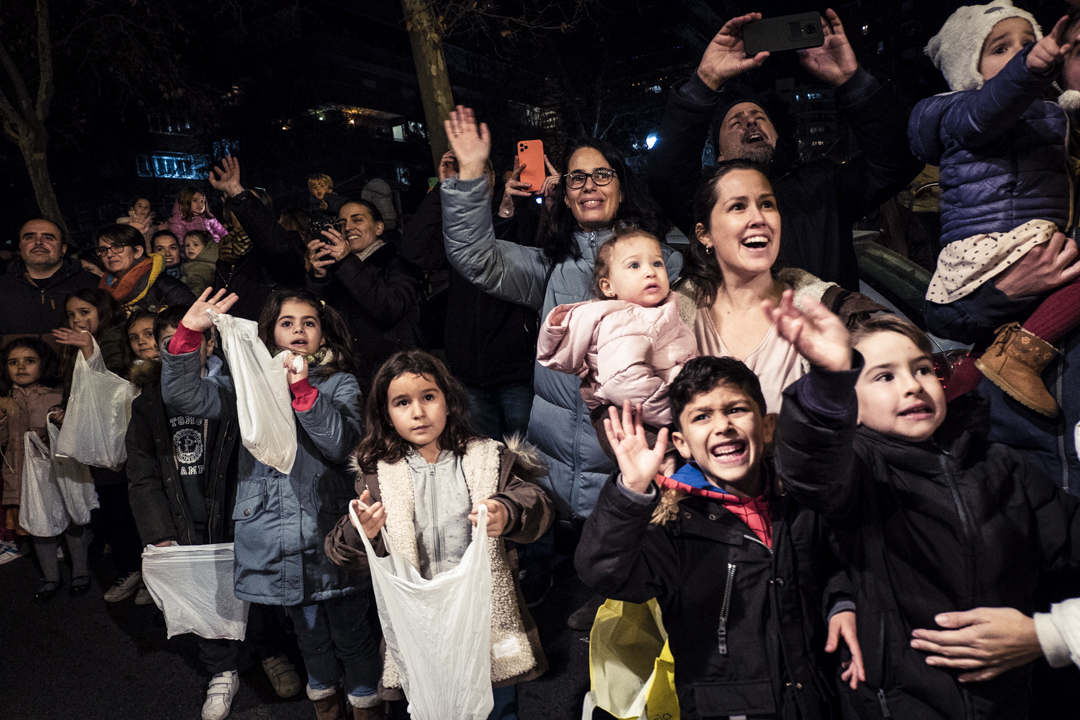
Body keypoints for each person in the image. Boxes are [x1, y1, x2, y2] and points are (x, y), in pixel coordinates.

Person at [766, 297, 1080, 719]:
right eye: (883, 377)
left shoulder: (1001, 465)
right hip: (901, 704)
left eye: (922, 368)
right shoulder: (860, 474)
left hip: (1007, 700)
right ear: (851, 409)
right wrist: (829, 381)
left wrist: (1051, 633)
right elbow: (808, 463)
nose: (912, 385)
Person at [441, 104, 682, 530]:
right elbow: (473, 256)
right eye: (577, 177)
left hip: (628, 469)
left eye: (602, 175)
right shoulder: (549, 267)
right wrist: (472, 173)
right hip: (553, 475)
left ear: (622, 188)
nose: (589, 185)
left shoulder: (663, 265)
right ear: (566, 194)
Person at [577, 367, 864, 720]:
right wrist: (630, 492)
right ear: (682, 443)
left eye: (736, 409)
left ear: (768, 425)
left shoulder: (800, 503)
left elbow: (834, 561)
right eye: (702, 416)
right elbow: (603, 573)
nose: (723, 425)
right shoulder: (674, 524)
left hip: (819, 696)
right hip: (727, 707)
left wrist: (841, 601)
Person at [162, 288, 383, 720]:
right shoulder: (248, 382)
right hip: (272, 529)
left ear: (323, 334)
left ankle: (366, 704)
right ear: (270, 333)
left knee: (353, 634)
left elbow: (341, 445)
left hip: (329, 530)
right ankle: (326, 706)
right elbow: (185, 397)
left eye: (309, 322)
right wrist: (188, 335)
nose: (298, 330)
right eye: (287, 323)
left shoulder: (339, 382)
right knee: (309, 637)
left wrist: (302, 392)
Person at [325, 349, 553, 720]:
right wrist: (360, 531)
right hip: (419, 627)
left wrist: (506, 510)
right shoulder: (380, 475)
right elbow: (339, 551)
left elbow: (536, 504)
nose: (418, 411)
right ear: (386, 414)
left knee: (495, 708)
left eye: (428, 397)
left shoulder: (486, 458)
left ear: (449, 400)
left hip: (481, 621)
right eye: (402, 402)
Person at [647, 10, 921, 291]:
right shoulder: (709, 200)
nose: (750, 122)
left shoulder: (825, 184)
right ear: (720, 154)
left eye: (759, 117)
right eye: (735, 123)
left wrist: (852, 81)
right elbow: (666, 176)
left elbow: (897, 161)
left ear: (777, 135)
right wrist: (705, 80)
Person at [126, 304, 302, 720]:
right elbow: (143, 472)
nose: (177, 348)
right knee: (205, 593)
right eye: (167, 341)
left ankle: (269, 653)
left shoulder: (237, 389)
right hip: (184, 512)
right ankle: (221, 670)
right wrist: (158, 529)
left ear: (208, 343)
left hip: (238, 510)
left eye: (188, 339)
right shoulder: (148, 404)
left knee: (253, 587)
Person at [913, 3, 1080, 419]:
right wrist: (1029, 66)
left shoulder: (1051, 117)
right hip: (1000, 244)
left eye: (1028, 43)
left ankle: (984, 373)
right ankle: (1012, 359)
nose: (1020, 53)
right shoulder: (959, 108)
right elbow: (984, 111)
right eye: (1001, 48)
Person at [676, 160, 884, 413]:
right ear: (704, 234)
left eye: (767, 204)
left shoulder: (832, 311)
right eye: (738, 207)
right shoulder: (670, 317)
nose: (758, 218)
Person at [395, 150, 546, 441]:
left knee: (530, 463)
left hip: (516, 374)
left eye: (477, 174)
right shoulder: (454, 230)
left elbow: (524, 259)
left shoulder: (518, 215)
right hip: (467, 375)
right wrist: (444, 190)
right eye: (464, 177)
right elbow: (415, 251)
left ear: (491, 179)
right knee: (483, 466)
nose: (470, 182)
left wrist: (506, 212)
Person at [537, 220, 697, 459]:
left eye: (657, 263)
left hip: (662, 411)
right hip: (648, 423)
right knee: (674, 480)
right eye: (634, 265)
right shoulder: (622, 321)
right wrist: (683, 413)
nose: (650, 271)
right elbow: (625, 381)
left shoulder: (657, 311)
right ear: (608, 287)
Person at [52, 288, 147, 604]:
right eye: (71, 314)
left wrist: (92, 354)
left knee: (124, 509)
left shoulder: (114, 340)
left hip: (122, 441)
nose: (77, 319)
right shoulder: (81, 345)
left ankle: (140, 571)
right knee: (111, 508)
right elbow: (79, 391)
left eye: (84, 311)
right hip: (102, 445)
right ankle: (136, 569)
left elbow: (116, 387)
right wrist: (66, 408)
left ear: (103, 311)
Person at [0, 338, 92, 597]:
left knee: (72, 521)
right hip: (20, 476)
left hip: (58, 473)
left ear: (44, 364)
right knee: (38, 527)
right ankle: (51, 578)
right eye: (13, 362)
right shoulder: (5, 400)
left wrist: (60, 420)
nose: (21, 367)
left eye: (29, 361)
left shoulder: (57, 394)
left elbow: (76, 432)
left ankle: (81, 572)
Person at [305, 198, 421, 392]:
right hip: (350, 376)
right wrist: (319, 276)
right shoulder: (339, 268)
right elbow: (319, 317)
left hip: (392, 373)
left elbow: (388, 308)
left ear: (378, 228)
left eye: (357, 220)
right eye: (342, 223)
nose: (348, 227)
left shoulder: (398, 264)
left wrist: (346, 261)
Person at [207, 157, 309, 321]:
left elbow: (277, 246)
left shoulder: (284, 243)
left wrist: (236, 191)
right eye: (236, 204)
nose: (242, 210)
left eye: (252, 205)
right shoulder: (227, 253)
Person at [0, 219, 98, 349]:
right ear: (20, 246)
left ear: (63, 249)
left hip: (77, 367)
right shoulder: (3, 286)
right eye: (29, 238)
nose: (38, 243)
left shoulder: (91, 283)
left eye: (48, 238)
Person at [95, 224, 194, 313]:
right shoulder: (101, 292)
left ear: (137, 252)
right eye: (103, 250)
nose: (109, 254)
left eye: (117, 247)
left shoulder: (167, 287)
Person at [181, 230, 219, 297]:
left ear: (206, 247)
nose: (190, 248)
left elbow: (197, 286)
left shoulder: (199, 267)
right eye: (187, 245)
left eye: (195, 245)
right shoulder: (206, 262)